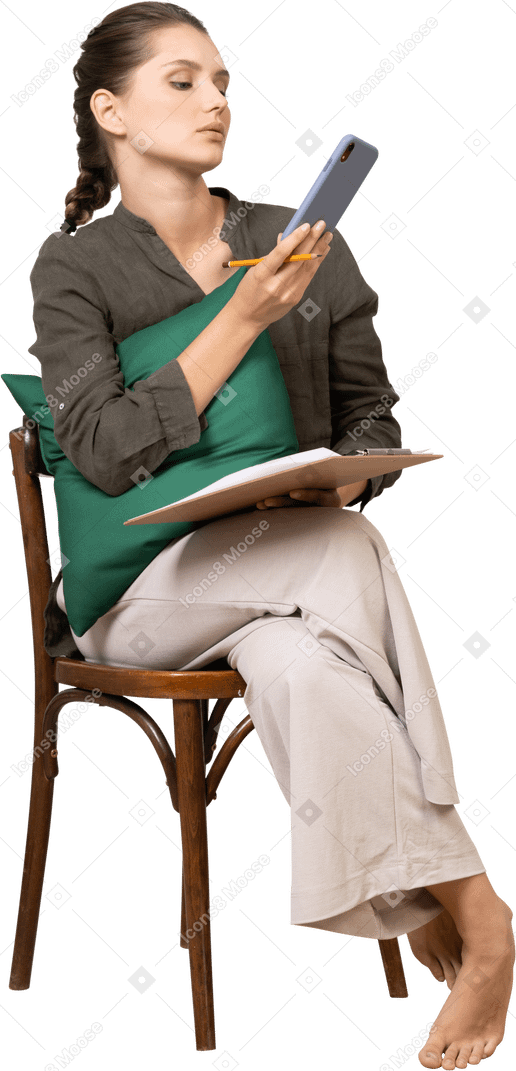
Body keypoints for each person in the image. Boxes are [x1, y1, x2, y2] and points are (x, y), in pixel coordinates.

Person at [27, 5, 514, 1067]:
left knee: (299, 659)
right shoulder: (73, 272)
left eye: (222, 82)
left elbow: (370, 413)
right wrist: (239, 323)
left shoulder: (297, 239)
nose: (217, 101)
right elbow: (103, 451)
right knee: (343, 565)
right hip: (144, 606)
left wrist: (342, 487)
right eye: (183, 83)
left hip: (290, 576)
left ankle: (405, 886)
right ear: (110, 111)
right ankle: (481, 912)